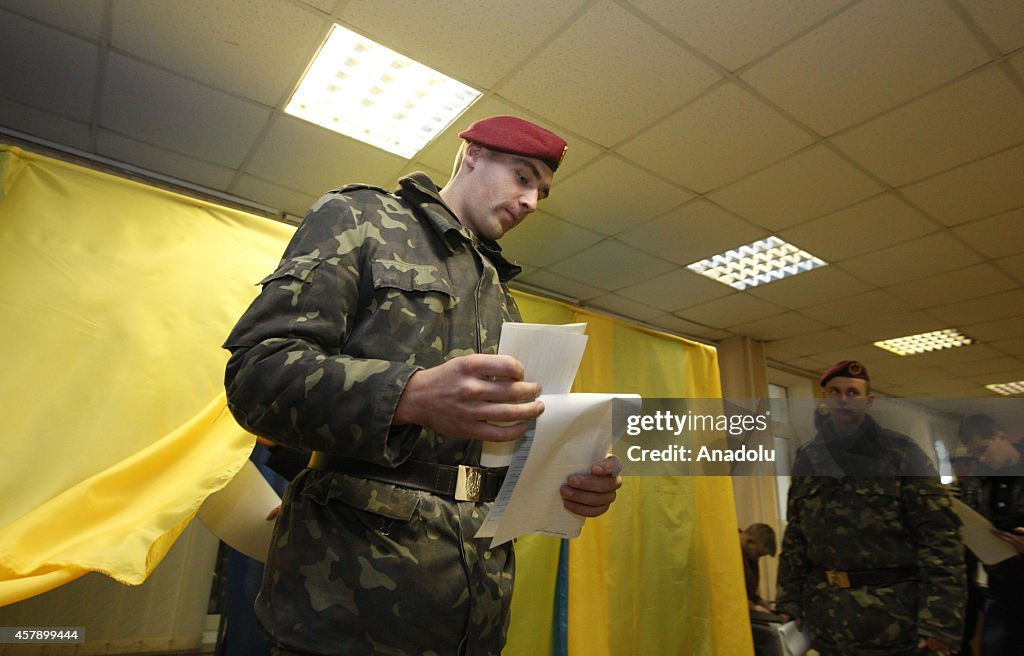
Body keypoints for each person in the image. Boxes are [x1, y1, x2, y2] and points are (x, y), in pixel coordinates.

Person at [221, 115, 622, 656]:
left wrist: (564, 483)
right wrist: (409, 395)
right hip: (348, 602)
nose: (531, 202)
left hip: (472, 608)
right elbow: (258, 376)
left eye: (542, 193)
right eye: (524, 177)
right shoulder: (362, 217)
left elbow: (488, 463)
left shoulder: (502, 298)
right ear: (472, 153)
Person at [775, 360, 964, 655]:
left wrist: (940, 623)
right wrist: (789, 600)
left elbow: (940, 539)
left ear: (868, 401)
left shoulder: (902, 453)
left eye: (853, 393)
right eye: (835, 392)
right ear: (824, 400)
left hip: (890, 621)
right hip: (827, 617)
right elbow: (796, 535)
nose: (843, 400)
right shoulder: (808, 458)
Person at [957, 414, 1024, 656]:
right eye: (975, 453)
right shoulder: (977, 484)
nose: (981, 458)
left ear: (1002, 437)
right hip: (1001, 591)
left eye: (984, 450)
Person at [740, 523, 777, 613]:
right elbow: (726, 594)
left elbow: (747, 591)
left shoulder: (748, 554)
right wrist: (752, 607)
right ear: (750, 541)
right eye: (758, 554)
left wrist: (758, 601)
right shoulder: (727, 553)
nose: (757, 558)